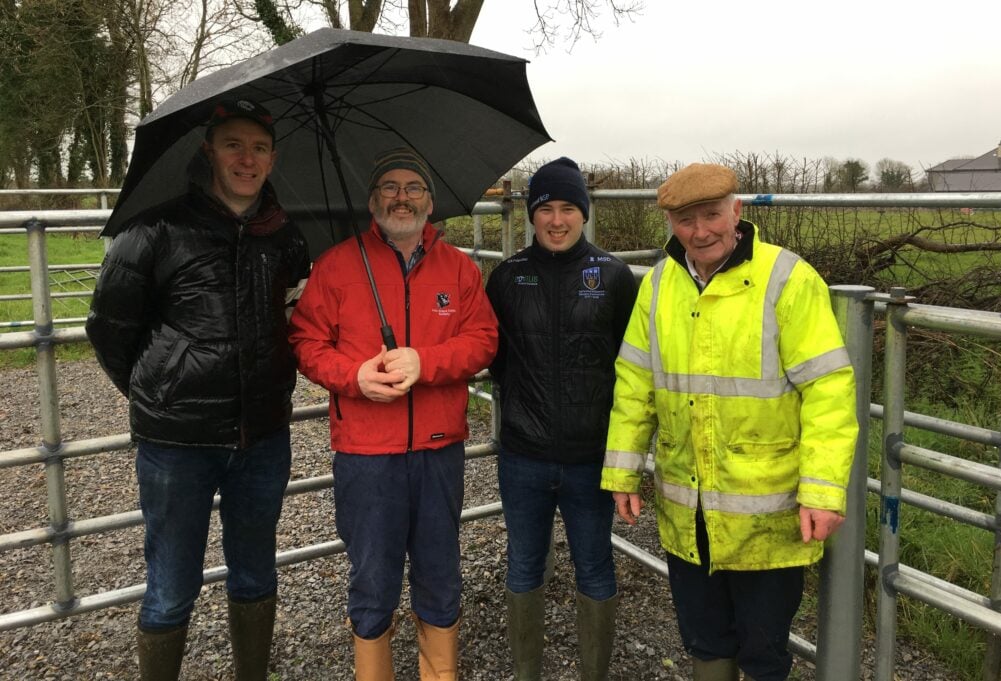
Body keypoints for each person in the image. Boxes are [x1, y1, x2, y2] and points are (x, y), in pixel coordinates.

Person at [600, 163, 858, 681]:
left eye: (712, 215)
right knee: (704, 638)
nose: (701, 232)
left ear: (736, 211)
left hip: (768, 509)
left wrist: (824, 489)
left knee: (764, 649)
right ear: (670, 224)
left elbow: (828, 389)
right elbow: (634, 384)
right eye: (685, 220)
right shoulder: (658, 286)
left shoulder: (787, 279)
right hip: (686, 504)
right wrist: (622, 472)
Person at [86, 98, 310, 680]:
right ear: (209, 150)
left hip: (262, 435)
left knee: (257, 571)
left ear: (272, 158)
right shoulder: (156, 227)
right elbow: (110, 327)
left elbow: (298, 318)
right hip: (176, 442)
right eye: (234, 144)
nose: (247, 159)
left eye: (259, 148)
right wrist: (155, 390)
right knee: (170, 583)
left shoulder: (285, 237)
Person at [287, 147, 498, 681]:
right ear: (372, 199)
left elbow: (484, 341)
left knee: (439, 572)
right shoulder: (337, 265)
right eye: (389, 187)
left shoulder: (460, 269)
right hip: (366, 453)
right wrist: (352, 376)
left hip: (438, 449)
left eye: (413, 188)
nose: (401, 198)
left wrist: (425, 361)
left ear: (430, 200)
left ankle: (439, 674)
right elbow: (306, 342)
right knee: (372, 578)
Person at [485, 157, 638, 681]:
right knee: (524, 564)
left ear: (584, 213)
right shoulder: (506, 276)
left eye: (568, 207)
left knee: (594, 567)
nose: (556, 219)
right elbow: (496, 359)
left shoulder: (614, 277)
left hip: (590, 457)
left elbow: (632, 367)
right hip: (523, 453)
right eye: (545, 208)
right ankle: (528, 672)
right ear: (530, 215)